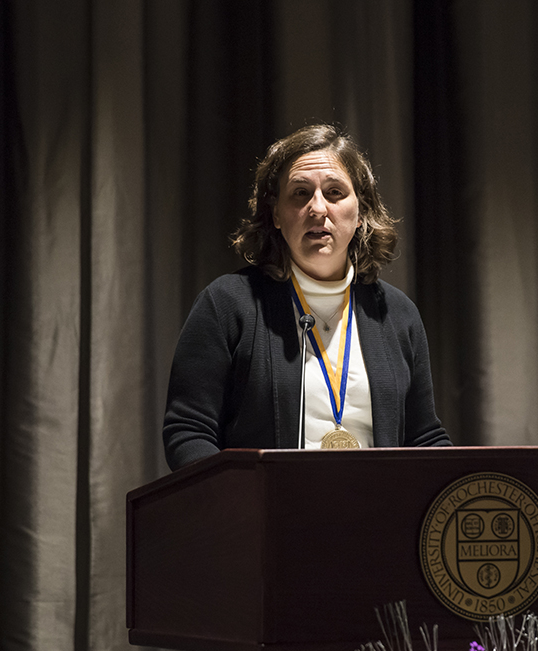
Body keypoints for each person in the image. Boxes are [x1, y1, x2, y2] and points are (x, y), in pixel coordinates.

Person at [163, 124, 451, 470]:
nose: (318, 208)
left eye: (334, 193)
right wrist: (239, 509)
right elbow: (189, 432)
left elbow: (424, 439)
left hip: (377, 518)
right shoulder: (227, 304)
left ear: (360, 212)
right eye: (300, 193)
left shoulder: (397, 314)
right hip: (266, 519)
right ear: (276, 215)